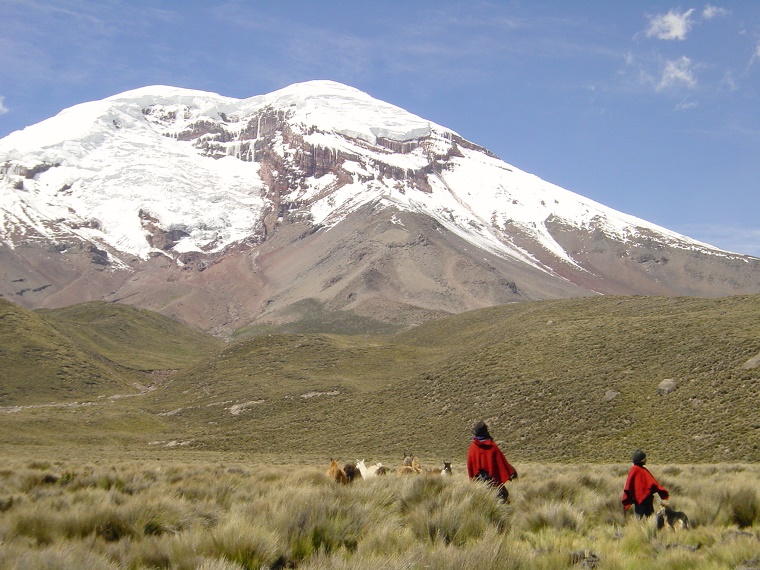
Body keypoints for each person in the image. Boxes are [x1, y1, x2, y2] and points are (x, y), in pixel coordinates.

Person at [467, 420, 517, 502]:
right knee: (503, 495)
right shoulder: (492, 446)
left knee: (483, 499)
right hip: (493, 479)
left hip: (479, 480)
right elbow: (501, 462)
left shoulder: (473, 447)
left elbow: (470, 465)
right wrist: (510, 471)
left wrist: (473, 478)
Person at [621, 449, 669, 518]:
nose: (646, 460)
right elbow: (653, 483)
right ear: (641, 460)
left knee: (643, 516)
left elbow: (652, 483)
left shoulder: (637, 470)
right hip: (641, 499)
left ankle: (646, 527)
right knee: (645, 516)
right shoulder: (636, 470)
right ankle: (640, 528)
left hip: (642, 499)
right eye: (644, 458)